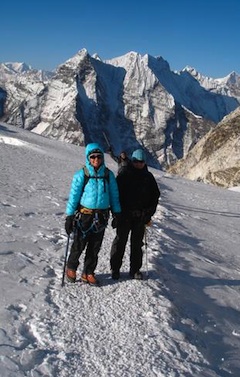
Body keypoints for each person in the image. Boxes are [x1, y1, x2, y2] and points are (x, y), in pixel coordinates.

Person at [65, 142, 121, 285]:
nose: (96, 160)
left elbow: (114, 196)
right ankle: (71, 268)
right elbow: (74, 196)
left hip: (101, 216)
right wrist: (70, 216)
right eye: (93, 157)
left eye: (99, 156)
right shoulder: (82, 175)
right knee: (79, 244)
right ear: (88, 158)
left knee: (95, 247)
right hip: (84, 215)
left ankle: (88, 272)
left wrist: (117, 213)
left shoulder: (108, 175)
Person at [110, 148, 160, 280]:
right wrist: (116, 213)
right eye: (136, 161)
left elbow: (155, 196)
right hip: (124, 215)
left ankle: (135, 270)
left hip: (140, 216)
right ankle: (115, 269)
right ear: (132, 161)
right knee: (120, 241)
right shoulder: (124, 174)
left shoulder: (148, 177)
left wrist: (148, 214)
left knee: (137, 244)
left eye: (141, 161)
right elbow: (115, 194)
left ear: (145, 162)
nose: (139, 164)